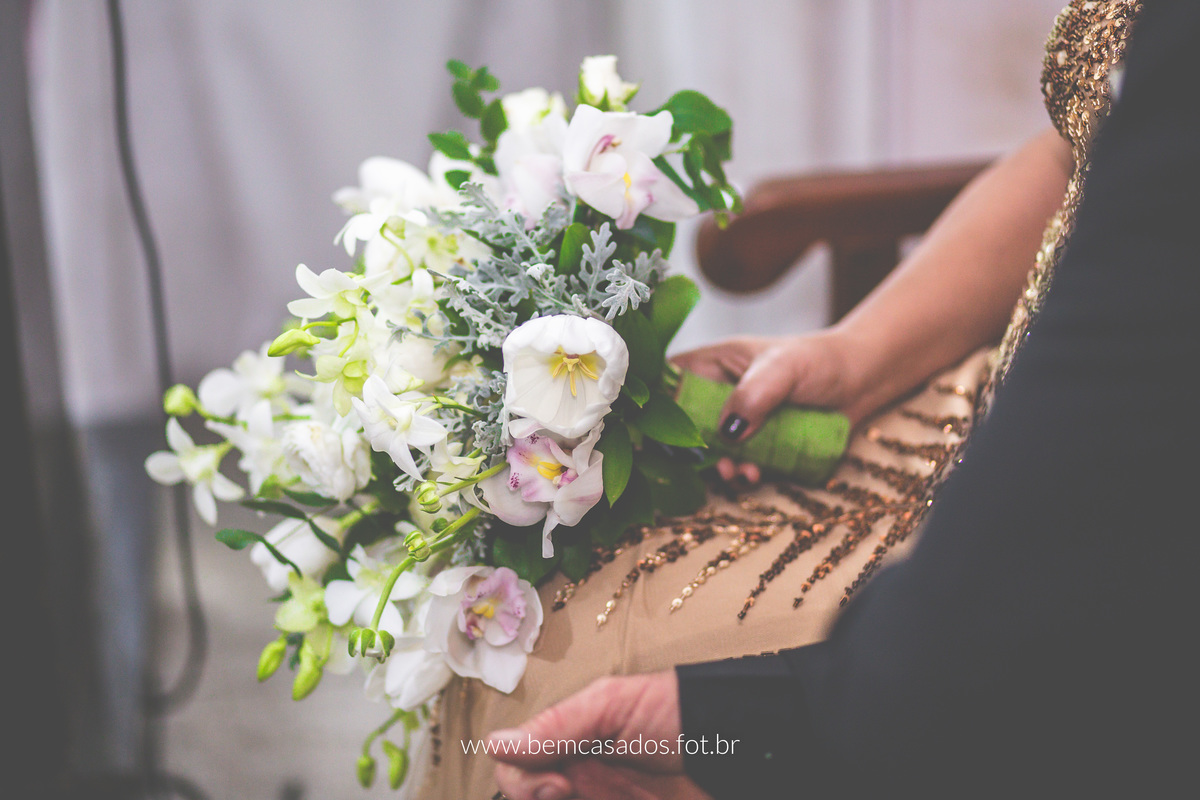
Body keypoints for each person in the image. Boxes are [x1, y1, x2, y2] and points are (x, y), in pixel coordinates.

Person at [483, 0, 1198, 796]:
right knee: (536, 588)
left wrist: (758, 732)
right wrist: (854, 357)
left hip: (1108, 479)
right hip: (1006, 397)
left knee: (567, 660)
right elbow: (1077, 155)